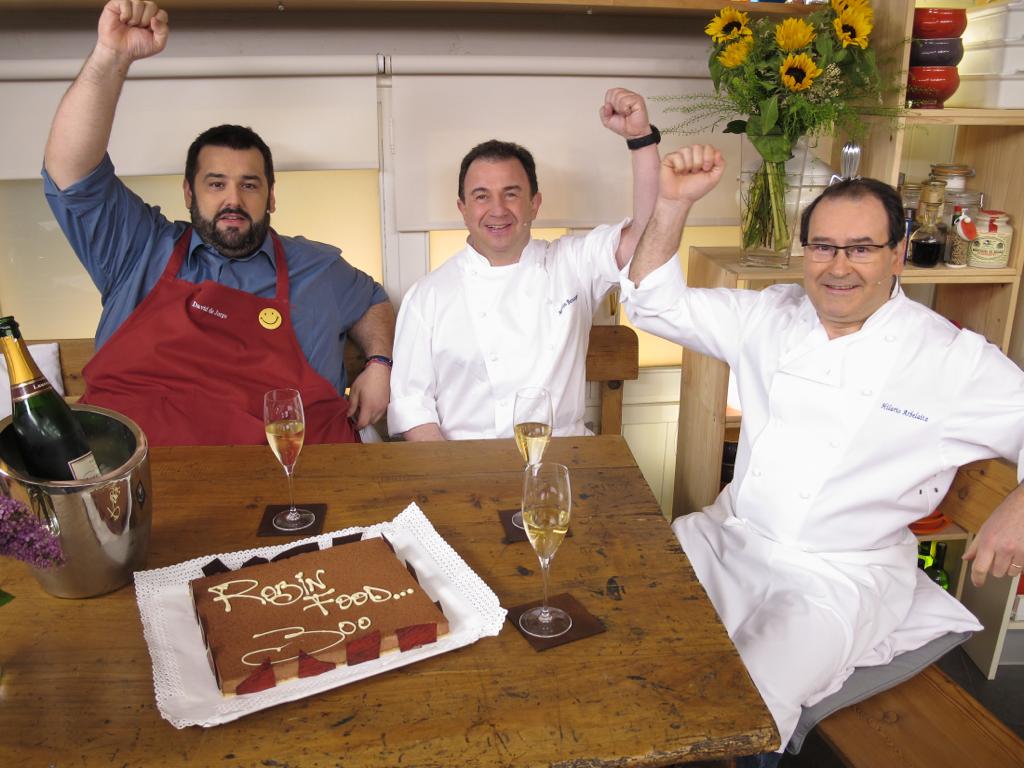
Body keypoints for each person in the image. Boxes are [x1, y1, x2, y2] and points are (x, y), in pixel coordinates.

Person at [620, 145, 1024, 764]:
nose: (839, 267)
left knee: (744, 704)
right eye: (823, 247)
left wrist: (1020, 503)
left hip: (838, 578)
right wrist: (673, 203)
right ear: (804, 251)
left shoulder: (951, 359)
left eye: (861, 248)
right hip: (731, 538)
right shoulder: (772, 314)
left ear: (897, 254)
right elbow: (651, 302)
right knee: (627, 627)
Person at [42, 0, 394, 446]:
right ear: (188, 193)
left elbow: (373, 300)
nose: (233, 199)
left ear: (271, 196)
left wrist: (380, 363)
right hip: (143, 492)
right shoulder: (136, 248)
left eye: (250, 185)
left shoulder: (317, 266)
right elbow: (70, 173)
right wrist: (111, 57)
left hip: (295, 490)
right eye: (215, 184)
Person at [387, 88, 660, 440]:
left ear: (535, 204)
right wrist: (454, 480)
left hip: (564, 463)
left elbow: (648, 239)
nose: (497, 209)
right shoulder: (427, 296)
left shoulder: (571, 264)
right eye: (481, 196)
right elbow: (412, 405)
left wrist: (641, 140)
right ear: (463, 209)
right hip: (465, 468)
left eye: (511, 194)